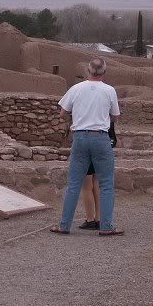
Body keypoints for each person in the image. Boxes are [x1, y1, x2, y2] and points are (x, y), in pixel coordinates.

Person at [51, 58, 123, 236]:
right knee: (106, 183)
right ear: (104, 72)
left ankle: (64, 225)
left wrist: (77, 119)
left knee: (74, 183)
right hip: (100, 137)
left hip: (80, 137)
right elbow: (115, 116)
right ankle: (106, 226)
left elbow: (62, 114)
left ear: (88, 71)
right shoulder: (109, 90)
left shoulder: (76, 88)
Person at [78, 121, 117, 230]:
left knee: (86, 185)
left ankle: (90, 219)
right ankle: (99, 219)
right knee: (97, 182)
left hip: (86, 142)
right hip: (103, 142)